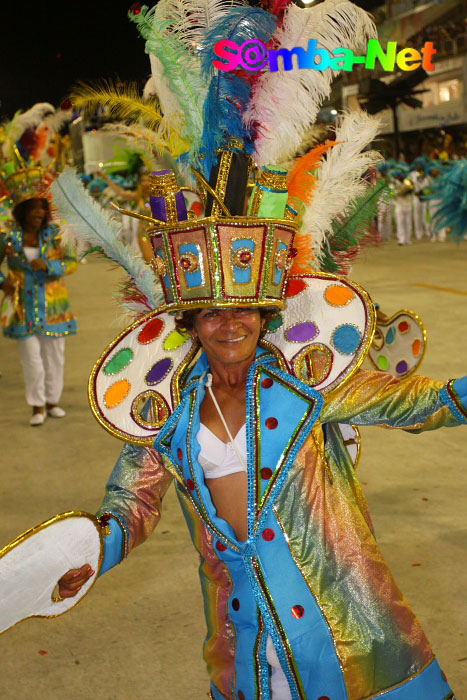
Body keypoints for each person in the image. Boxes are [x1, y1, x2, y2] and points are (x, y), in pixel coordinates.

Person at [0, 170, 77, 426]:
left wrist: (51, 267)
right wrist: (4, 283)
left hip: (53, 308)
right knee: (31, 359)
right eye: (33, 209)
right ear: (21, 211)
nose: (38, 214)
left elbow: (72, 263)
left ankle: (53, 402)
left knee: (54, 356)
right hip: (22, 309)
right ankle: (37, 406)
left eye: (41, 209)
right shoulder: (9, 238)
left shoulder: (56, 235)